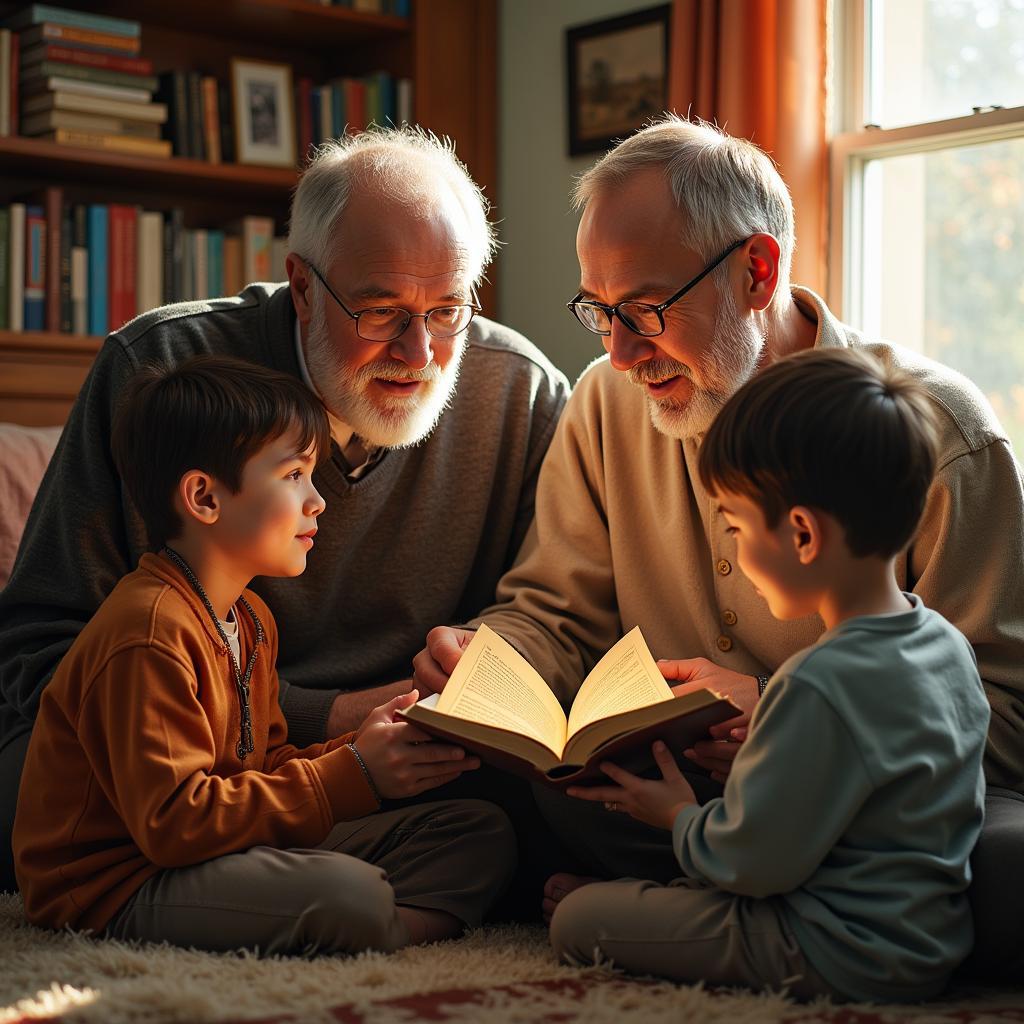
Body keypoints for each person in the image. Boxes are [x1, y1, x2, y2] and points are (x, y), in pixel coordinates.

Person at [414, 115, 1024, 980]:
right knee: (445, 795)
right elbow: (553, 610)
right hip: (659, 794)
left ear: (757, 270)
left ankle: (685, 891)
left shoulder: (936, 433)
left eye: (648, 310)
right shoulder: (605, 405)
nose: (621, 354)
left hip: (869, 823)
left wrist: (784, 722)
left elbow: (1006, 717)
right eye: (600, 313)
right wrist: (491, 660)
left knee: (1005, 869)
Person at [0, 126, 569, 893]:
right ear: (302, 286)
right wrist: (324, 720)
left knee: (570, 805)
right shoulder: (161, 370)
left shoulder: (524, 393)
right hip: (172, 754)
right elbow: (39, 651)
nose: (420, 353)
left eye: (446, 309)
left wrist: (483, 664)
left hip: (407, 760)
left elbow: (554, 613)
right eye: (381, 311)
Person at [13, 356, 514, 954]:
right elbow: (174, 825)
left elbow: (266, 764)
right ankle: (372, 924)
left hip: (220, 844)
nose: (317, 501)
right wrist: (352, 774)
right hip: (120, 880)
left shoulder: (249, 620)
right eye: (295, 474)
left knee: (476, 832)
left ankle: (372, 926)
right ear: (203, 497)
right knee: (345, 893)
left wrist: (362, 750)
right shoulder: (147, 632)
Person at [548, 347, 989, 1002]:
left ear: (803, 535)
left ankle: (626, 906)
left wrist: (676, 816)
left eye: (736, 525)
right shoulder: (946, 647)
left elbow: (749, 863)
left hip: (826, 944)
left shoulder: (817, 682)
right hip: (930, 938)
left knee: (575, 921)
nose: (737, 553)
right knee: (628, 903)